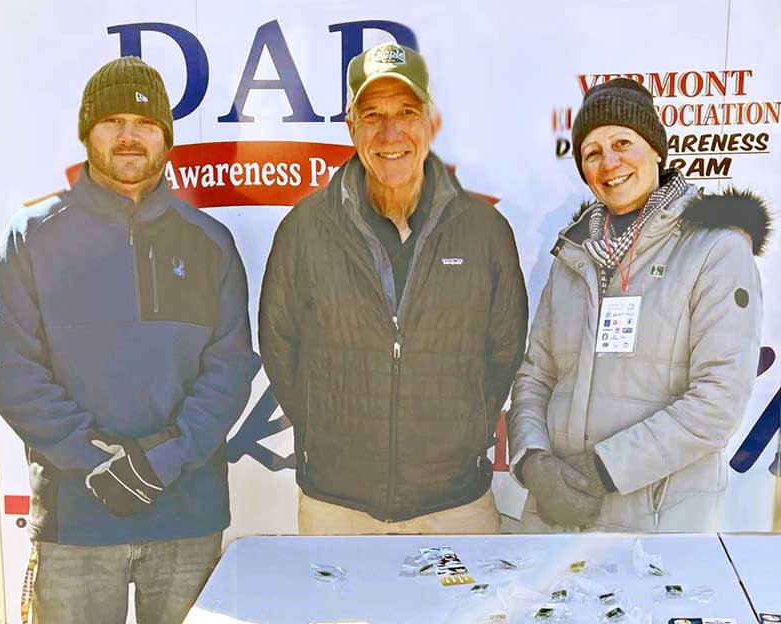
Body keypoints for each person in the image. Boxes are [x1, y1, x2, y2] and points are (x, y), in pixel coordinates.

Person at [0, 56, 258, 623]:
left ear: (167, 137)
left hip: (187, 521)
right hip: (76, 525)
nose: (130, 136)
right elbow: (13, 371)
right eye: (112, 121)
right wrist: (93, 461)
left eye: (145, 123)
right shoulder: (32, 237)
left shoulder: (209, 242)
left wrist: (161, 461)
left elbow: (230, 369)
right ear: (88, 132)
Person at [259, 42, 528, 535]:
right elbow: (279, 346)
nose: (390, 132)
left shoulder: (485, 230)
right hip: (335, 506)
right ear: (350, 126)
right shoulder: (304, 228)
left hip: (455, 504)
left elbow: (505, 351)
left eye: (406, 112)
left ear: (430, 121)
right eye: (373, 114)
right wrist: (328, 433)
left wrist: (461, 431)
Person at [507, 78, 768, 532]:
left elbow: (718, 402)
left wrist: (602, 470)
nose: (610, 162)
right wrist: (533, 463)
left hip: (658, 523)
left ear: (656, 151)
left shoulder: (716, 250)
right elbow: (535, 376)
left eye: (623, 142)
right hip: (555, 516)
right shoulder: (573, 257)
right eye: (592, 152)